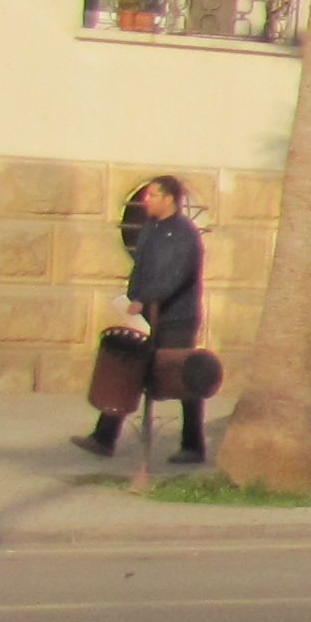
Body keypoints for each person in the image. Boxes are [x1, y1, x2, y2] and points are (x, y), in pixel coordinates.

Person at [78, 177, 206, 463]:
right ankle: (104, 437)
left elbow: (176, 275)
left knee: (182, 376)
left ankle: (193, 445)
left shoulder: (184, 234)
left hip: (176, 318)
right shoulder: (150, 229)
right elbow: (142, 268)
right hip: (146, 315)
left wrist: (147, 298)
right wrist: (132, 297)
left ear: (169, 199)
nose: (146, 200)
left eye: (153, 195)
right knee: (128, 368)